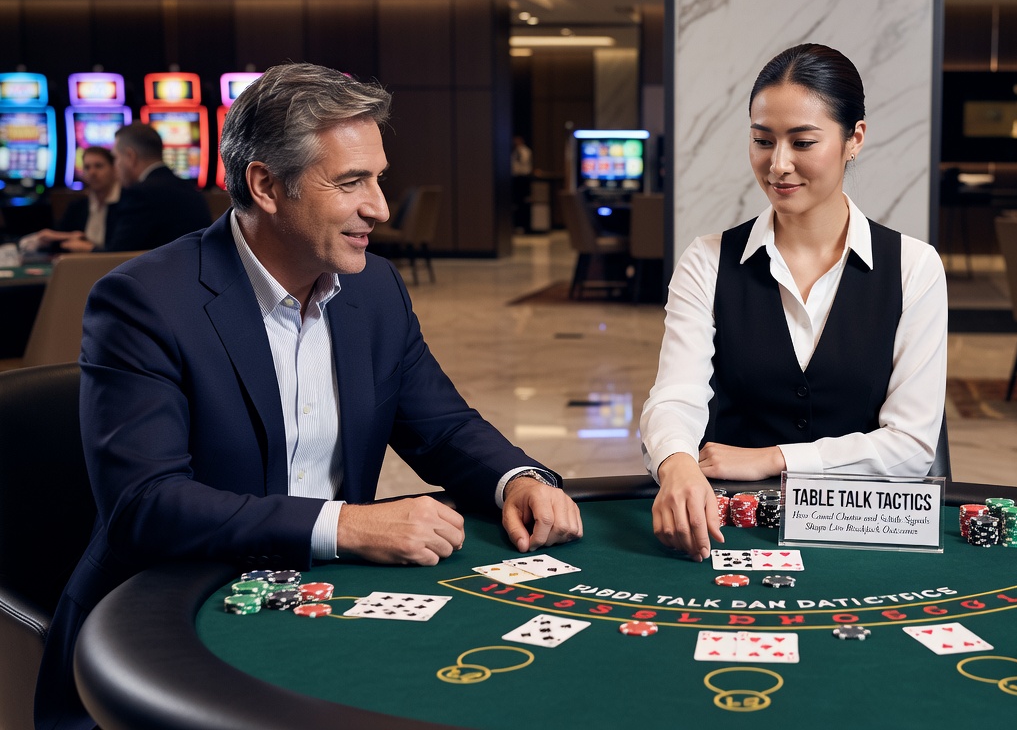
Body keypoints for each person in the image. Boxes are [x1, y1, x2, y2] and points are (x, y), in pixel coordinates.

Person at [35, 63, 584, 730]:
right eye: (351, 183)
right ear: (266, 185)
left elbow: (441, 425)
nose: (379, 208)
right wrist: (344, 525)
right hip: (157, 635)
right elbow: (145, 505)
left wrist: (516, 479)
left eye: (378, 179)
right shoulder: (145, 301)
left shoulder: (374, 289)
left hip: (322, 607)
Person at [641, 44, 948, 562]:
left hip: (862, 533)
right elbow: (675, 398)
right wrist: (676, 464)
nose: (778, 165)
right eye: (762, 141)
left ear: (855, 139)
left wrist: (773, 459)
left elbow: (912, 447)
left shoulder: (914, 267)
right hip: (727, 529)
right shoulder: (707, 260)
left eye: (802, 142)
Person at [102, 122, 212, 252]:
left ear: (131, 156)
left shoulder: (139, 194)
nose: (115, 165)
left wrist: (88, 248)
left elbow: (117, 255)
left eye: (115, 157)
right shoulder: (190, 189)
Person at [18, 146, 121, 254]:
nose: (92, 172)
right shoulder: (77, 206)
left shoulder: (127, 204)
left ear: (114, 169)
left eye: (98, 166)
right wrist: (61, 237)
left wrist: (88, 249)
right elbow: (58, 246)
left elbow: (121, 251)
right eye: (87, 167)